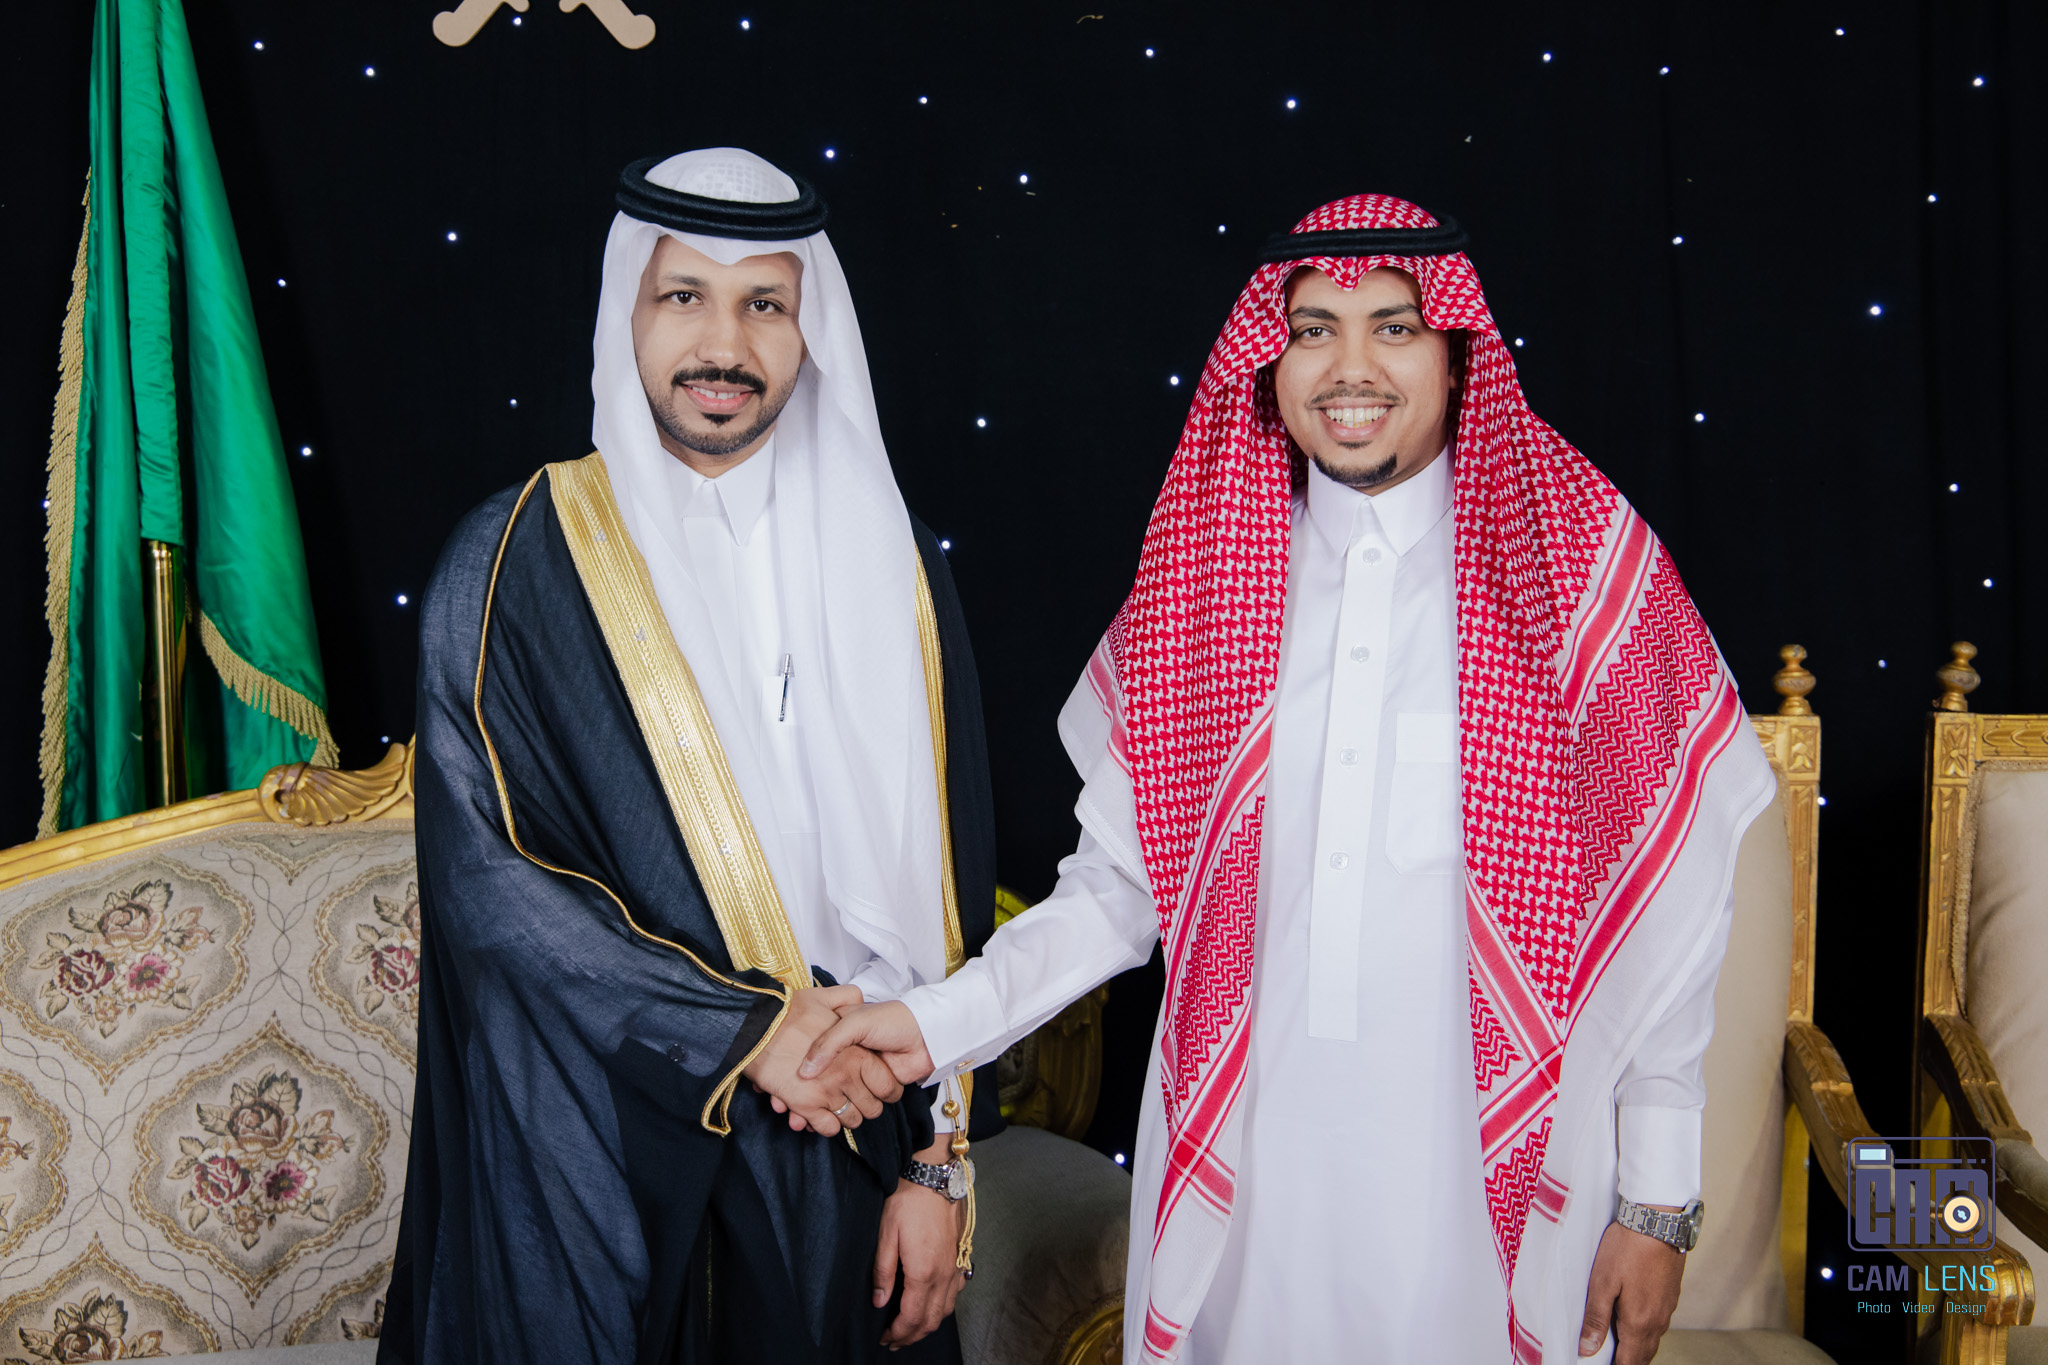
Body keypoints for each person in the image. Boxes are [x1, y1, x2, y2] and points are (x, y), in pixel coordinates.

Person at [801, 195, 1773, 1364]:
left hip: (1495, 1197)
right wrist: (931, 1026)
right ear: (1270, 358)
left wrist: (1655, 1201)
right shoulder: (1208, 583)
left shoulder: (1576, 574)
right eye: (1312, 329)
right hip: (1250, 1187)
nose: (1348, 367)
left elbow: (1673, 909)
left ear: (1455, 352)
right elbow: (1115, 897)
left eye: (1392, 327)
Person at [379, 147, 1003, 1365]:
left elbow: (947, 894)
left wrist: (939, 1165)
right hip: (595, 1138)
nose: (724, 343)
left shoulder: (895, 568)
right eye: (685, 297)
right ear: (629, 311)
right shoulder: (514, 557)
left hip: (852, 1136)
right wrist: (746, 1032)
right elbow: (490, 888)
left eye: (764, 303)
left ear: (810, 329)